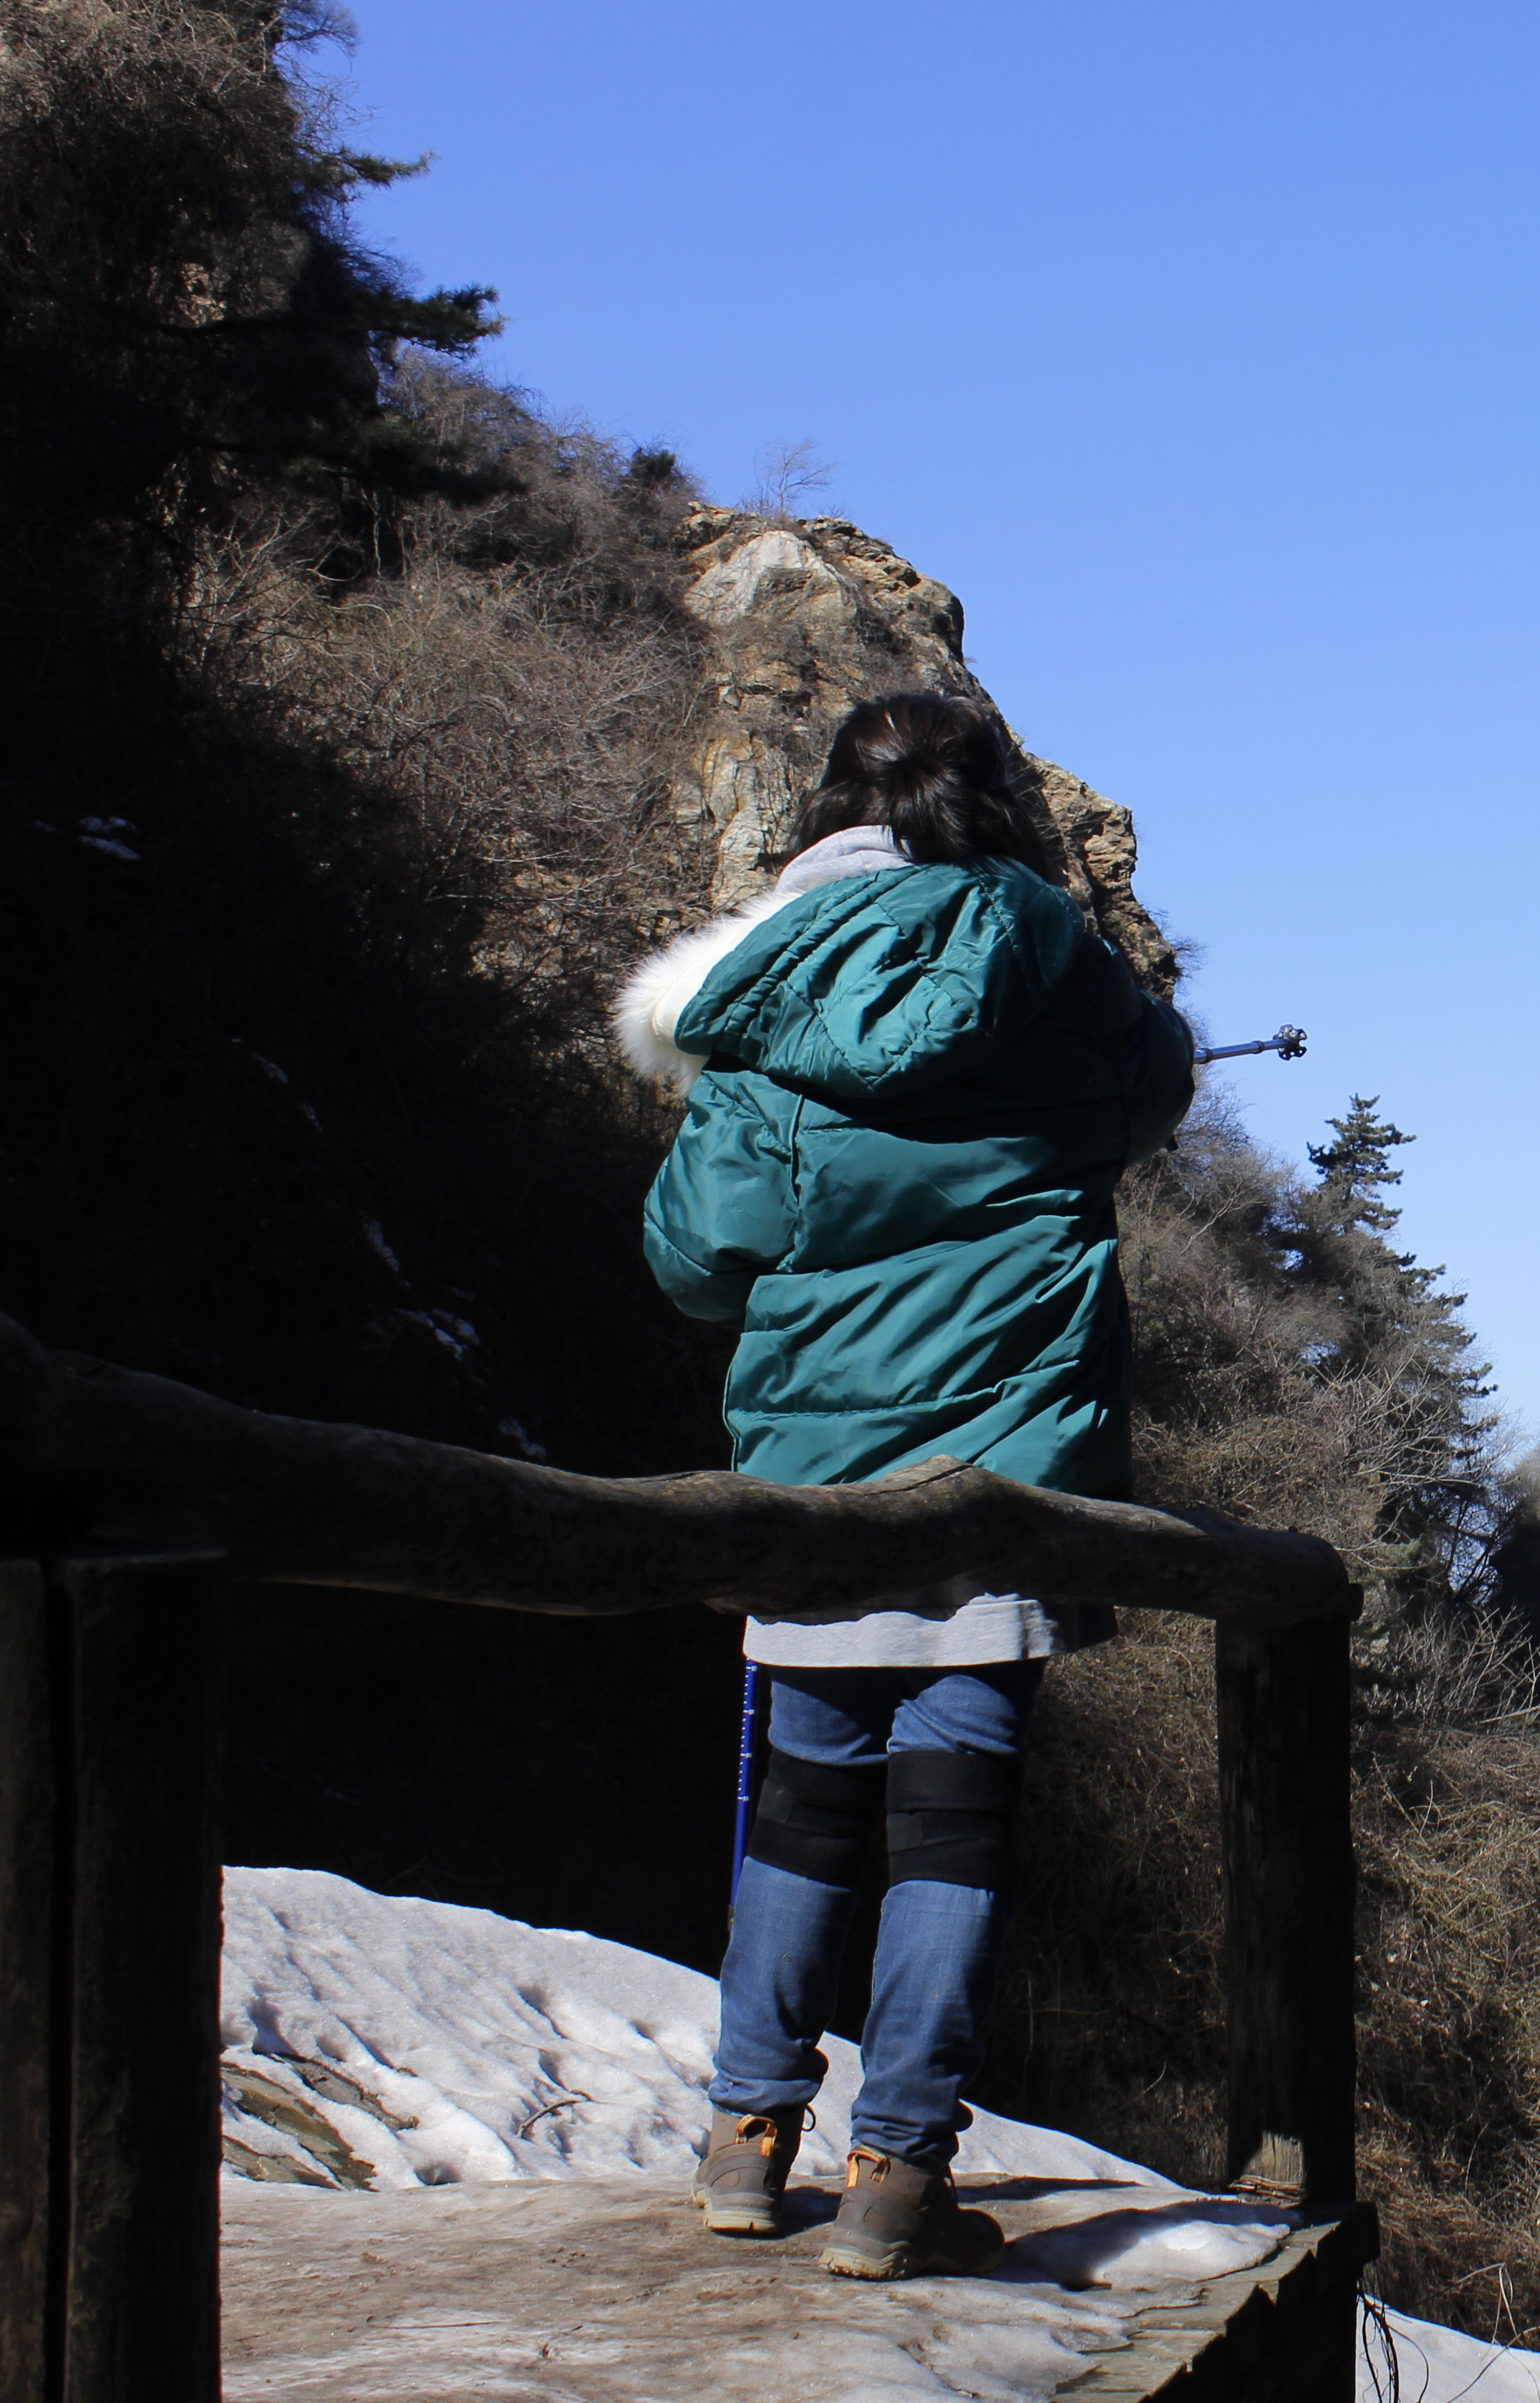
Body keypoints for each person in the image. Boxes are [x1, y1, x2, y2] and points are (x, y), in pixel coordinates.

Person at [614, 692, 1193, 2279]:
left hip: (812, 1473)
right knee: (953, 1828)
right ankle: (893, 2174)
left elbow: (698, 1261)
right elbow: (1155, 1091)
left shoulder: (759, 999)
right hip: (1000, 1472)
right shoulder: (1056, 972)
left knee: (802, 1812)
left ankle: (744, 2143)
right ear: (991, 806)